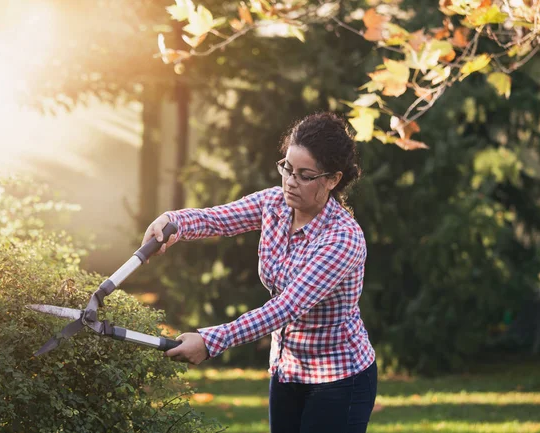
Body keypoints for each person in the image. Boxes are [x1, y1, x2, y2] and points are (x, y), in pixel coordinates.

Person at [141, 112, 377, 433]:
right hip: (287, 371)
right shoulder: (274, 205)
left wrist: (212, 341)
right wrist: (172, 222)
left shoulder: (341, 239)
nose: (291, 181)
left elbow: (286, 308)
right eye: (287, 169)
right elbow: (217, 219)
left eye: (305, 175)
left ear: (332, 179)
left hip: (339, 380)